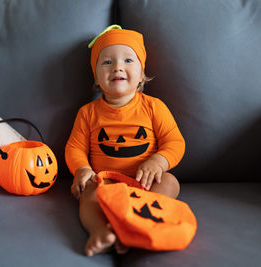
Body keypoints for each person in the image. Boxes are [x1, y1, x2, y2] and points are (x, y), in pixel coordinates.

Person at [65, 25, 185, 257]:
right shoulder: (88, 113)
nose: (118, 66)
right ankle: (100, 230)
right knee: (88, 194)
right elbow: (75, 147)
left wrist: (159, 162)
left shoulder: (154, 107)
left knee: (170, 182)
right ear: (97, 77)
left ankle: (133, 222)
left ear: (141, 74)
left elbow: (175, 142)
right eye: (107, 62)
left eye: (128, 60)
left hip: (147, 184)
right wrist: (82, 169)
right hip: (105, 183)